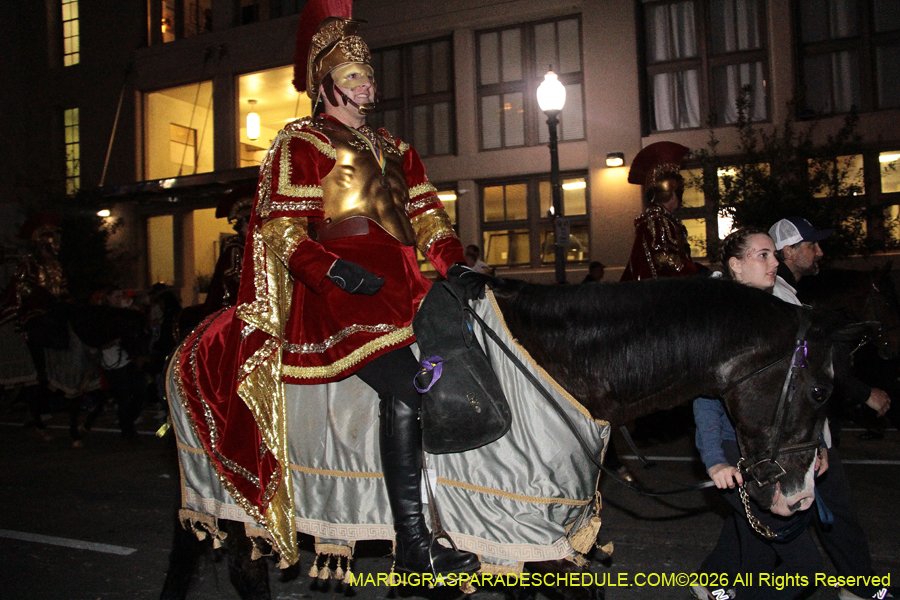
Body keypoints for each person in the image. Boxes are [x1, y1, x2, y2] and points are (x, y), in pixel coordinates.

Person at [179, 13, 483, 575]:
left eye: (369, 74)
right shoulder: (303, 140)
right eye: (353, 75)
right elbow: (279, 227)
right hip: (343, 294)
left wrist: (455, 263)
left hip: (405, 286)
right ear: (325, 86)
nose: (367, 84)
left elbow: (426, 215)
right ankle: (413, 544)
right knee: (407, 388)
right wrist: (332, 270)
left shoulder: (396, 146)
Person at [692, 228, 823, 600]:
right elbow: (705, 399)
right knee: (804, 569)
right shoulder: (723, 323)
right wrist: (716, 460)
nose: (775, 262)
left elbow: (797, 394)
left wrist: (816, 446)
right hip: (739, 454)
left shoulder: (775, 314)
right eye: (762, 255)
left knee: (755, 556)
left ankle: (711, 584)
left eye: (774, 254)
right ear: (736, 265)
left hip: (775, 452)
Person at [769, 217, 893, 600]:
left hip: (805, 427)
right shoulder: (780, 297)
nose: (819, 252)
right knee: (823, 509)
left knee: (825, 508)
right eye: (812, 245)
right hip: (797, 430)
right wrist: (861, 392)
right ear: (789, 251)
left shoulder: (791, 293)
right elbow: (807, 366)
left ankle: (716, 577)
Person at [620, 141, 699, 281]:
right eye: (679, 193)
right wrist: (691, 271)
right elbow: (663, 257)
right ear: (672, 194)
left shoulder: (663, 219)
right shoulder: (657, 220)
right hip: (661, 287)